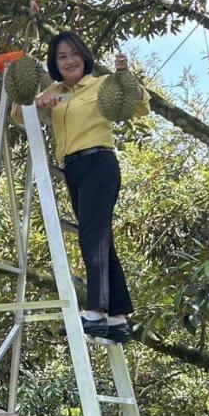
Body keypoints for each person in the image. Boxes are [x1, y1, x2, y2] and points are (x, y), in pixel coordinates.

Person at [23, 31, 149, 345]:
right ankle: (119, 319)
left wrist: (125, 78)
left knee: (92, 237)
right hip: (74, 170)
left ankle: (96, 311)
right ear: (55, 63)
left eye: (74, 53)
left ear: (84, 56)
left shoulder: (100, 84)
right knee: (101, 238)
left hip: (99, 163)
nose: (69, 60)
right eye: (61, 56)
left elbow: (141, 105)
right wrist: (39, 101)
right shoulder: (54, 92)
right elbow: (18, 115)